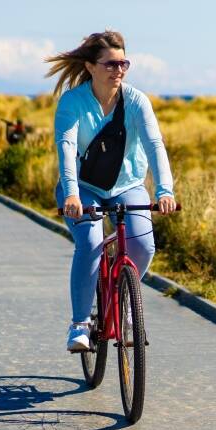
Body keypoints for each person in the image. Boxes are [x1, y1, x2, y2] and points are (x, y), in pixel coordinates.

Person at [45, 30, 177, 352]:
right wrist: (71, 194)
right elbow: (66, 147)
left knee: (143, 246)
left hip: (128, 185)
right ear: (90, 67)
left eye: (123, 64)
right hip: (83, 187)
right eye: (111, 64)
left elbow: (154, 145)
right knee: (90, 243)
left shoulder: (136, 101)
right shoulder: (73, 102)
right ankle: (80, 324)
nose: (119, 70)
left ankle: (123, 302)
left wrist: (164, 191)